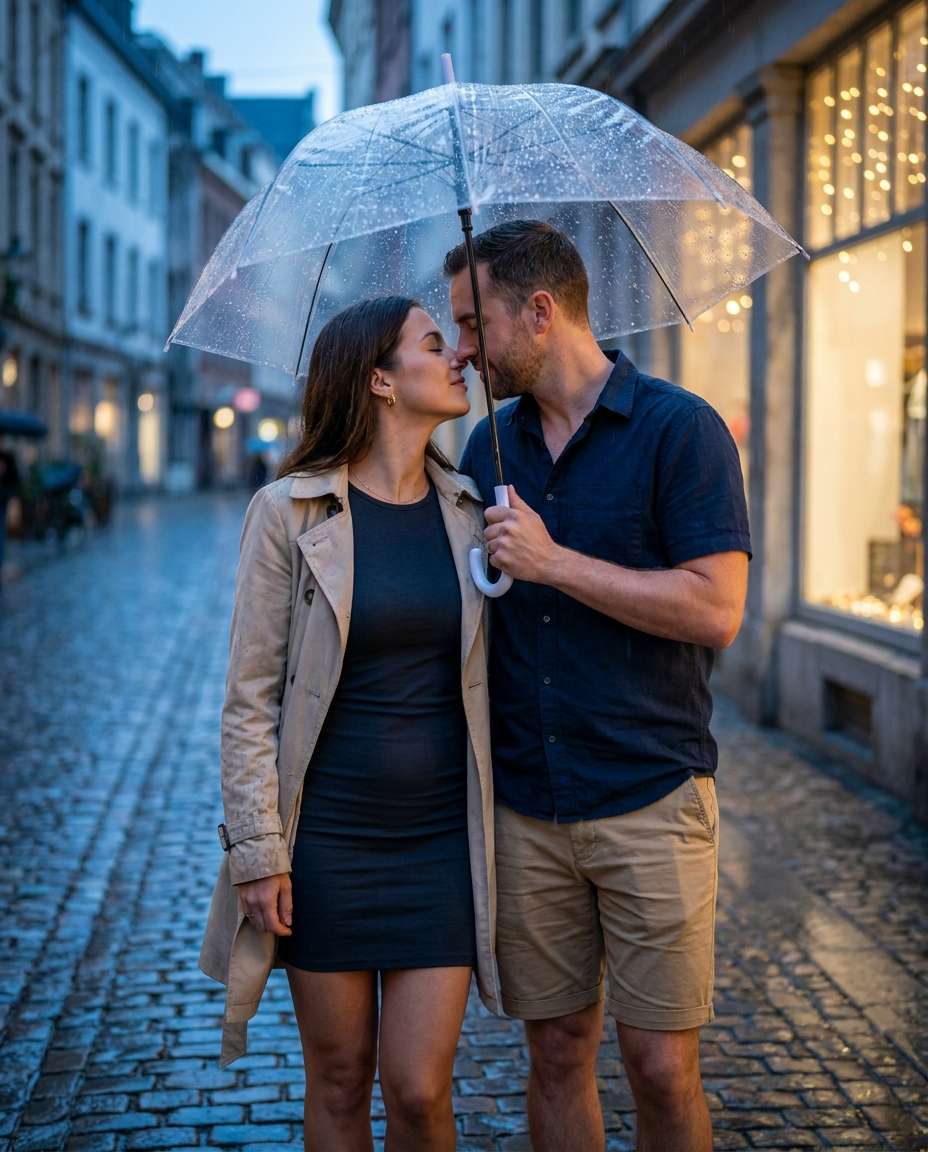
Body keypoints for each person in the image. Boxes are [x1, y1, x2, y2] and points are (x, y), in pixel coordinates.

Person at [446, 220, 751, 1152]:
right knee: (556, 1052)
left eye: (472, 323)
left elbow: (715, 610)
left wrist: (554, 561)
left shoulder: (678, 430)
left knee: (662, 1067)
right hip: (527, 807)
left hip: (650, 793)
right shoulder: (486, 451)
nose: (461, 348)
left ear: (539, 313)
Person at [198, 296, 502, 1152]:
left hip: (440, 842)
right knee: (339, 1080)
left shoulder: (475, 509)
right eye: (437, 346)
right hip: (326, 843)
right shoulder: (289, 514)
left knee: (418, 1089)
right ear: (380, 380)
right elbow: (249, 695)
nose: (461, 361)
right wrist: (258, 852)